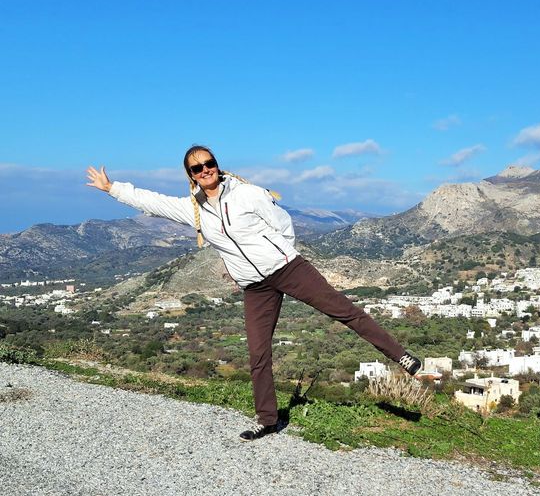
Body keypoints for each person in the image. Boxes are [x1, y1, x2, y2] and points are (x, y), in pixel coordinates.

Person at [86, 145, 421, 441]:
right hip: (254, 287)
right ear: (191, 176)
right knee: (258, 352)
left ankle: (402, 356)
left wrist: (280, 254)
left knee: (344, 311)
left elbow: (282, 222)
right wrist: (113, 188)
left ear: (217, 164)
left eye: (209, 163)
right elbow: (154, 202)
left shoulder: (247, 193)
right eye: (197, 168)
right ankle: (267, 420)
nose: (205, 170)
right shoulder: (195, 209)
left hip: (288, 268)